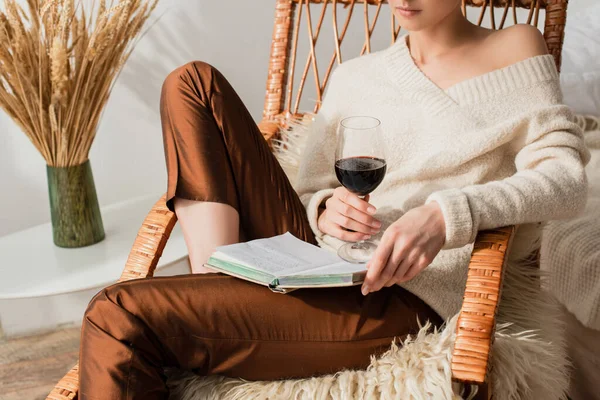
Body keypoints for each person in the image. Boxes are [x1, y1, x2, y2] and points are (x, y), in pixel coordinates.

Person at [78, 1, 590, 398]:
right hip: (317, 256)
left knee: (115, 314)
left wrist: (445, 213)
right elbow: (307, 187)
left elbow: (564, 179)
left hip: (398, 293)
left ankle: (210, 309)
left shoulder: (516, 45)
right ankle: (216, 281)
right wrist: (323, 206)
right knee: (192, 83)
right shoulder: (356, 76)